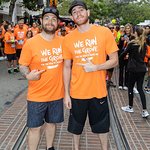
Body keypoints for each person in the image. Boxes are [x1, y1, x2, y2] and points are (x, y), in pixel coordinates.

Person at [62, 1, 118, 150]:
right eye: (74, 11)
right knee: (76, 127)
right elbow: (66, 67)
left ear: (88, 12)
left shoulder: (104, 32)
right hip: (77, 92)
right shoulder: (68, 38)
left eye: (81, 10)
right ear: (71, 16)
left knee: (102, 127)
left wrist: (96, 67)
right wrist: (66, 94)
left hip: (98, 91)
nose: (78, 13)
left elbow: (114, 61)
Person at [19, 6, 64, 150]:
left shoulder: (64, 42)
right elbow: (22, 65)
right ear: (41, 20)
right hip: (36, 96)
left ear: (57, 23)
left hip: (57, 95)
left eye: (53, 19)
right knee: (34, 128)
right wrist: (27, 74)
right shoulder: (31, 43)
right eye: (47, 18)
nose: (50, 22)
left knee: (51, 124)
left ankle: (49, 147)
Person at [121, 27, 149, 118]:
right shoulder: (144, 44)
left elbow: (123, 54)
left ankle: (130, 106)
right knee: (140, 89)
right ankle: (144, 110)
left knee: (130, 87)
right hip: (142, 68)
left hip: (133, 69)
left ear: (136, 33)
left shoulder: (132, 44)